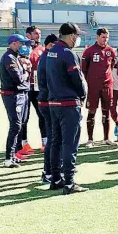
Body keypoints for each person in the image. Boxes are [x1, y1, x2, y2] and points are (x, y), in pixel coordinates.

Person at [46, 22, 88, 194]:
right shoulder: (68, 54)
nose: (77, 39)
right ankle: (69, 182)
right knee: (70, 143)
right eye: (77, 36)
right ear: (72, 36)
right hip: (69, 104)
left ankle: (55, 178)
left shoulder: (51, 52)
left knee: (55, 142)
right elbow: (77, 80)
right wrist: (83, 94)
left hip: (53, 103)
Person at [0, 34, 33, 168]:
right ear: (13, 43)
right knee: (16, 125)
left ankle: (14, 155)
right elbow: (18, 78)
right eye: (21, 43)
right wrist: (26, 71)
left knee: (21, 123)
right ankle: (9, 157)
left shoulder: (16, 57)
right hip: (13, 95)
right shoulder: (9, 58)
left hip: (21, 94)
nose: (23, 46)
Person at [82, 28, 117, 147]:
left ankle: (106, 138)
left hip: (107, 86)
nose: (105, 39)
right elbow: (84, 69)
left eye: (107, 37)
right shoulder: (89, 51)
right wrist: (91, 81)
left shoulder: (110, 51)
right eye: (103, 37)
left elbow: (111, 66)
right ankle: (90, 139)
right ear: (97, 37)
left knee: (106, 112)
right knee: (92, 111)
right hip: (93, 87)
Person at [37, 33, 58, 183]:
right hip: (47, 101)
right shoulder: (47, 58)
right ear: (50, 45)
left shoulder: (46, 57)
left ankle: (51, 169)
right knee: (53, 138)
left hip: (46, 100)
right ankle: (48, 171)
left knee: (53, 137)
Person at [25, 26, 47, 153]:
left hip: (38, 87)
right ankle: (24, 144)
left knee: (42, 115)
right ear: (28, 35)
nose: (38, 35)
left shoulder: (42, 49)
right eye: (35, 33)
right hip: (25, 87)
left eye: (39, 33)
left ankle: (45, 142)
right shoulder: (23, 48)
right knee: (24, 118)